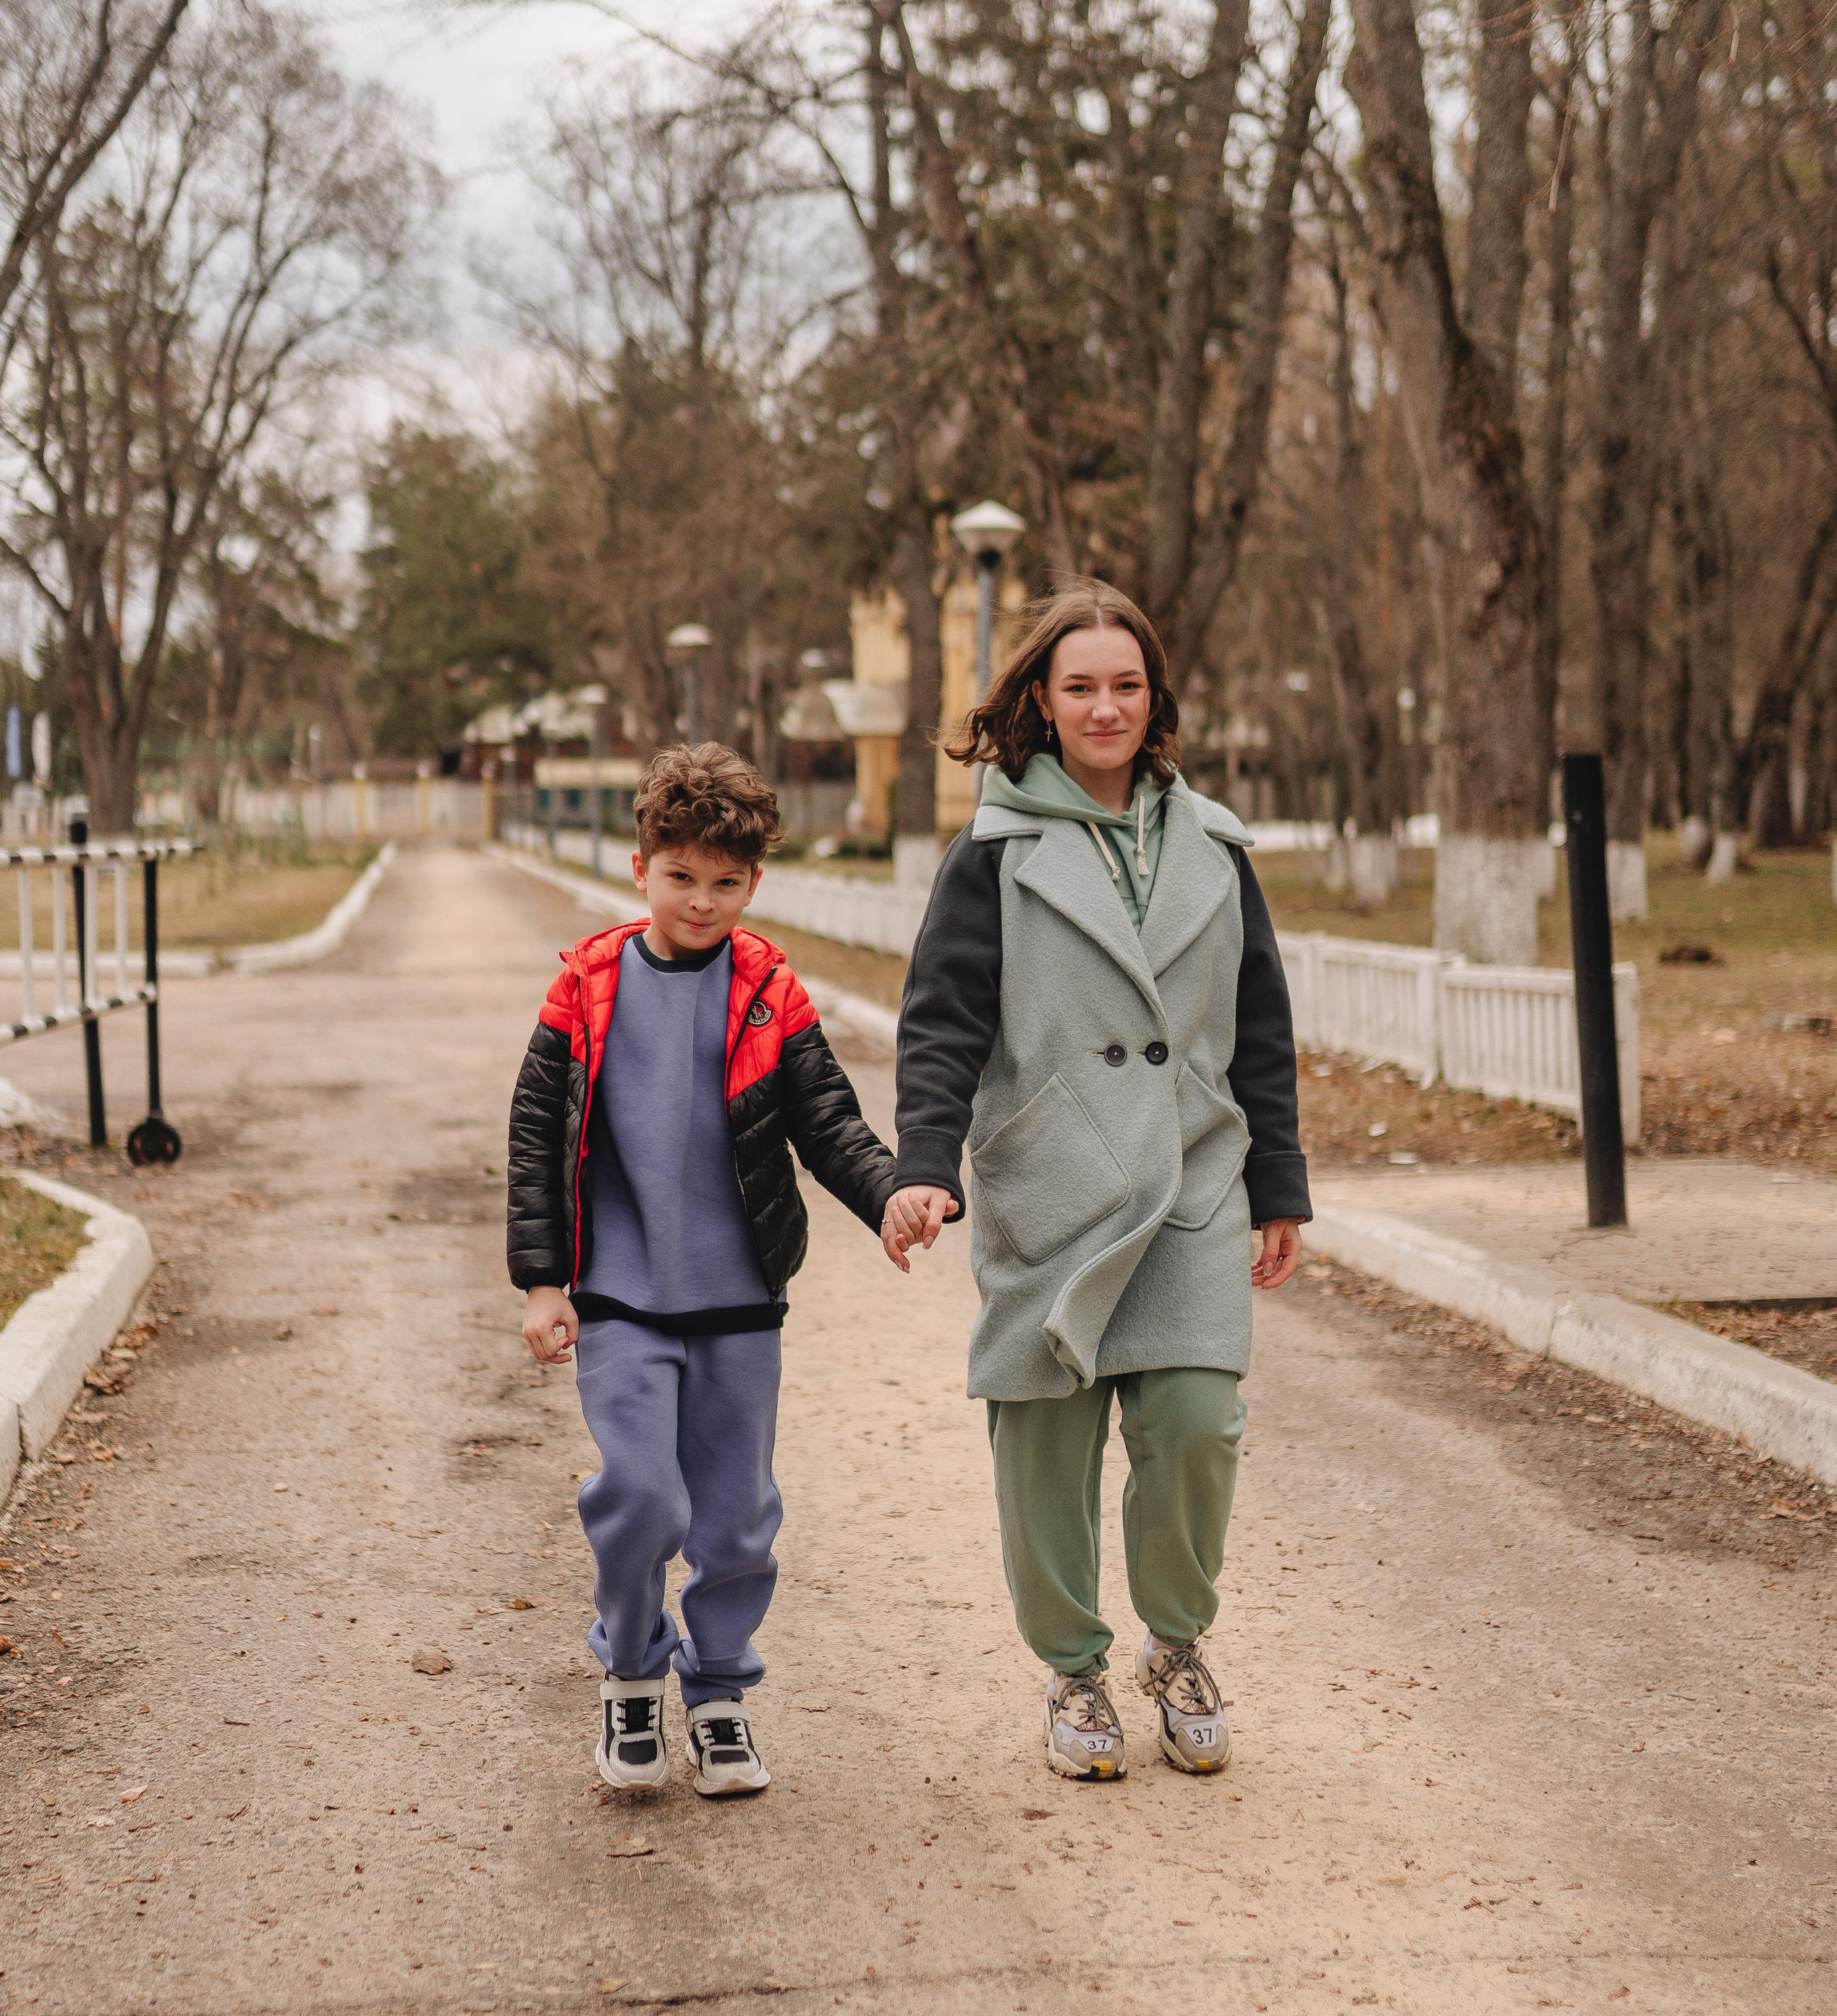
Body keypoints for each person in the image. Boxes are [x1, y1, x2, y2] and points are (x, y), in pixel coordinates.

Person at [881, 581, 1310, 1783]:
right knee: (1045, 1445)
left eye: (1127, 684)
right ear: (1041, 701)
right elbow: (942, 1023)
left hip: (1192, 1179)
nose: (1106, 705)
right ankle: (1073, 1668)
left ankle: (1177, 1646)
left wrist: (1279, 1182)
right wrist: (925, 1166)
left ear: (1154, 697)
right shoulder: (992, 853)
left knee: (1195, 1419)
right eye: (1081, 686)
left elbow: (1259, 1024)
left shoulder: (1218, 846)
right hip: (1055, 1182)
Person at [506, 742, 896, 1800]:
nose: (703, 902)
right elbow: (539, 1139)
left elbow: (830, 1124)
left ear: (754, 885)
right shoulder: (586, 988)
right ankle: (633, 1676)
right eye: (681, 877)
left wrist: (890, 1196)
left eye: (727, 883)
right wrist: (544, 1282)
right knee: (640, 1495)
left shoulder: (768, 989)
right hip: (619, 1294)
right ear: (641, 868)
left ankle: (717, 1693)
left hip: (737, 1299)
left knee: (734, 1519)